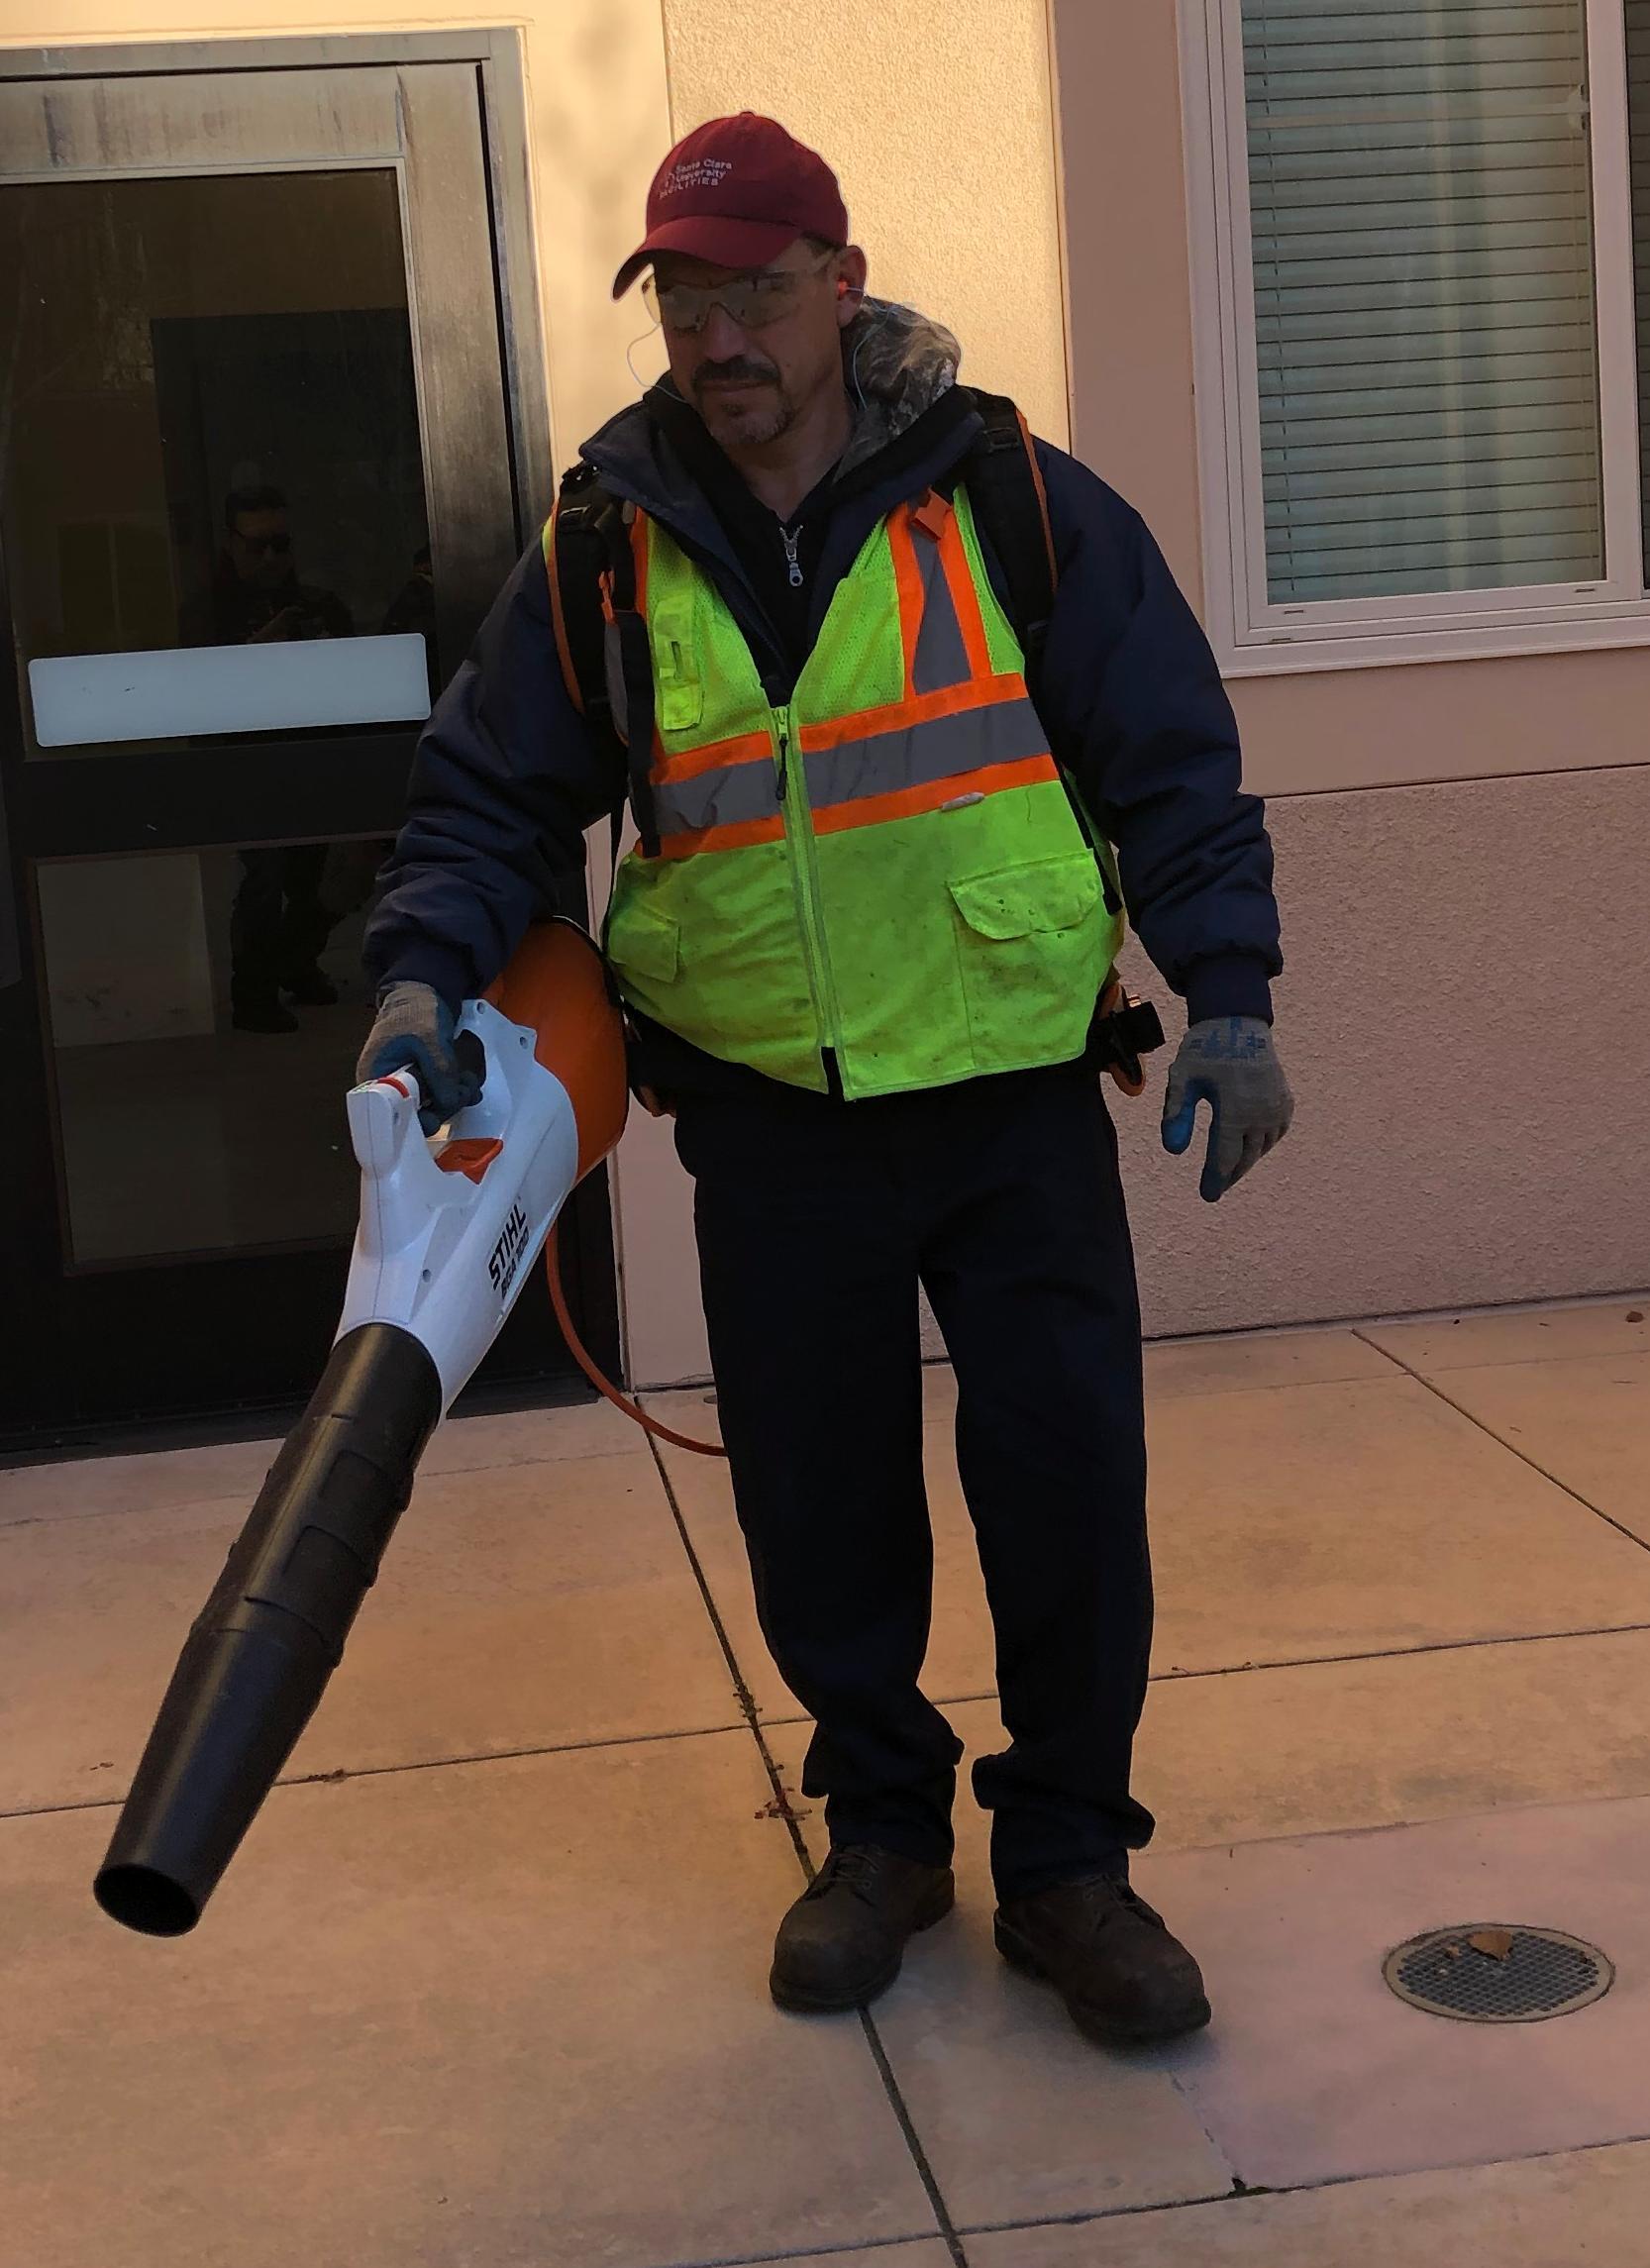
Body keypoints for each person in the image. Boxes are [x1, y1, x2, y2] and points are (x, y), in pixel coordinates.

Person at [357, 114, 1291, 2050]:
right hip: (773, 1117)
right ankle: (878, 1831)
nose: (720, 335)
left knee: (1058, 1489)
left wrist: (1230, 993)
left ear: (838, 289)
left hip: (1010, 1092)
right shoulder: (605, 546)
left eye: (756, 289)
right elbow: (481, 801)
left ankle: (1062, 1860)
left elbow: (1166, 752)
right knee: (818, 1503)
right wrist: (415, 980)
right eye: (686, 296)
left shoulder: (1010, 501)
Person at [197, 484, 354, 1033]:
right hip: (246, 765)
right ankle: (256, 992)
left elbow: (354, 680)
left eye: (280, 545)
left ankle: (294, 961)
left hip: (313, 758)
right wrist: (255, 652)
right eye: (257, 546)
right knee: (265, 878)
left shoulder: (314, 604)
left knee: (325, 877)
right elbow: (193, 694)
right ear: (231, 544)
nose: (269, 558)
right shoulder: (207, 610)